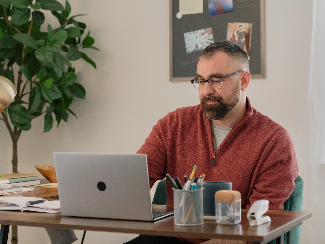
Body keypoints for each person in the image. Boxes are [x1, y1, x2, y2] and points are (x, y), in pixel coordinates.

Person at [126, 41, 298, 244]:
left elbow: (259, 222)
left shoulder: (275, 140)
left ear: (243, 80)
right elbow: (133, 182)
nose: (206, 90)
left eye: (217, 80)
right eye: (201, 80)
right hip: (173, 238)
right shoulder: (173, 124)